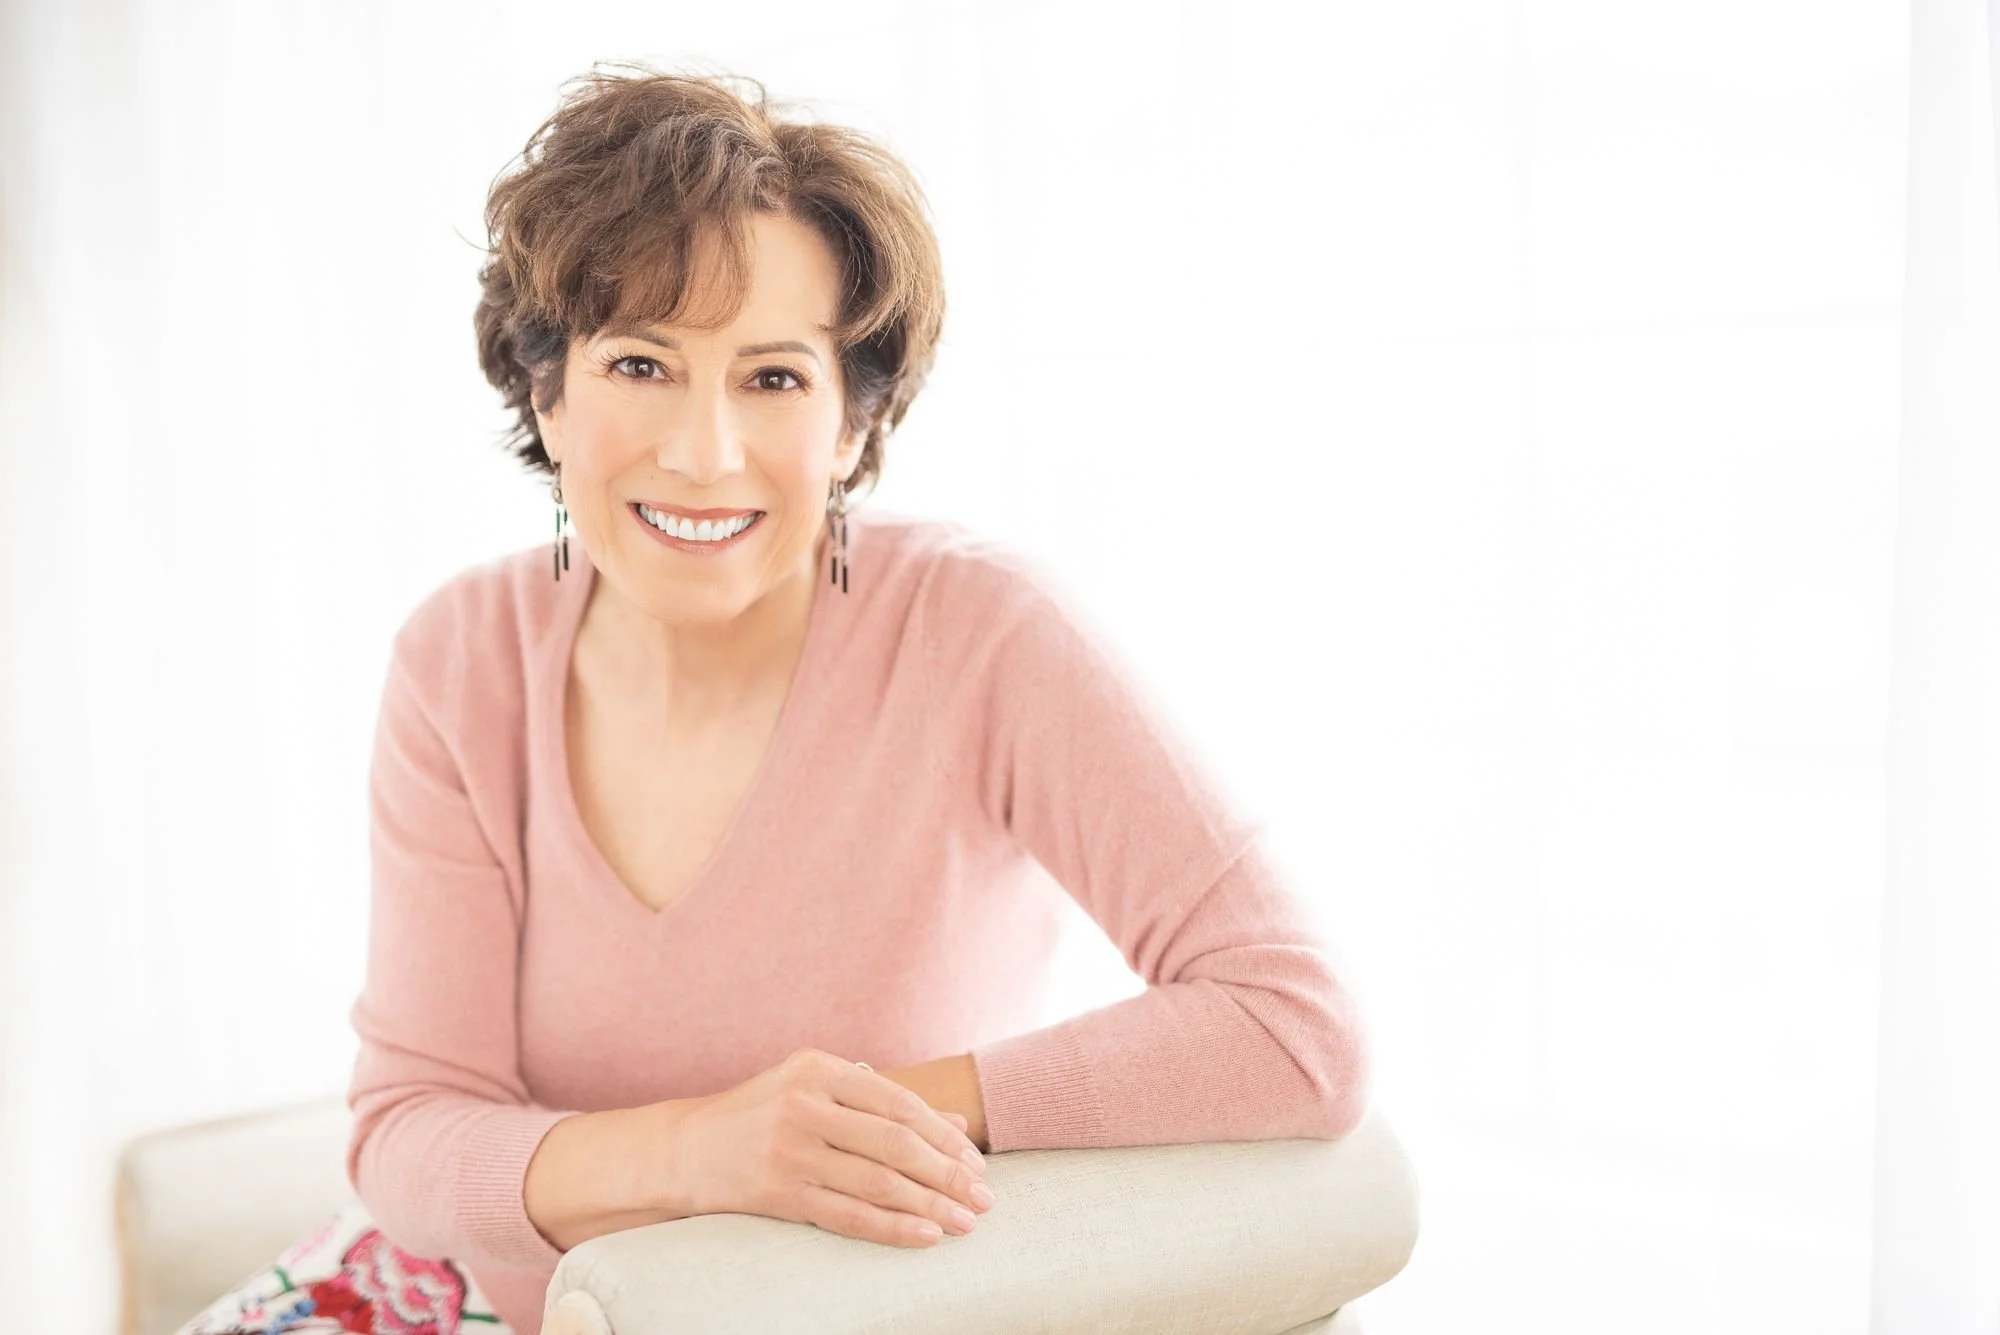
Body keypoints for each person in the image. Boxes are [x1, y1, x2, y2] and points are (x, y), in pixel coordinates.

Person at [175, 61, 1371, 1335]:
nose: (703, 451)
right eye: (640, 365)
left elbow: (1292, 1022)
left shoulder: (983, 632)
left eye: (774, 378)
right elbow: (412, 1133)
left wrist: (859, 1124)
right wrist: (710, 1151)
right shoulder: (461, 657)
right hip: (481, 1303)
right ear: (547, 393)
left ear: (856, 424)